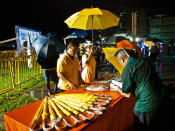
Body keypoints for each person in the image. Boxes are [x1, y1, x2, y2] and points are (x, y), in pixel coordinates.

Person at [113, 48, 166, 130]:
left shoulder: (128, 68)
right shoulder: (145, 60)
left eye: (120, 63)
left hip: (146, 104)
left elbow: (127, 94)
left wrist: (116, 88)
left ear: (122, 60)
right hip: (160, 97)